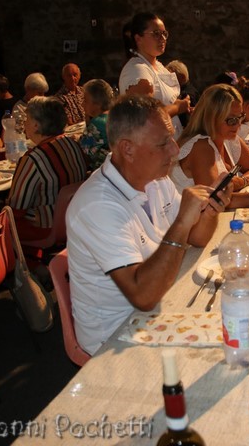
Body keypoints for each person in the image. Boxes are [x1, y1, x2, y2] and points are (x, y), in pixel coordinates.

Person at [66, 95, 229, 355]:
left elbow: (197, 238)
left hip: (160, 300)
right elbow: (143, 297)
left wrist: (210, 210)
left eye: (172, 139)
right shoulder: (97, 205)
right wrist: (181, 224)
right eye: (163, 143)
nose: (175, 150)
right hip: (114, 336)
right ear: (127, 149)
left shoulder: (156, 179)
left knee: (236, 316)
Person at [171, 84, 249, 208]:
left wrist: (242, 181)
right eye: (231, 120)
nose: (238, 125)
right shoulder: (200, 146)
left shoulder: (228, 137)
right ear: (211, 118)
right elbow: (215, 199)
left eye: (240, 117)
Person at [6, 97, 87, 242]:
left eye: (27, 119)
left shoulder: (33, 159)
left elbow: (15, 209)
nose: (24, 123)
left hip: (47, 229)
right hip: (76, 220)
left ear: (36, 125)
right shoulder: (73, 144)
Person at [118, 12, 192, 137]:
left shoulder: (158, 66)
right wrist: (177, 108)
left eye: (164, 33)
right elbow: (144, 117)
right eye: (156, 34)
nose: (162, 38)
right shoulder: (137, 70)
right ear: (138, 39)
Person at [80, 79, 115, 171]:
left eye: (85, 100)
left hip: (104, 171)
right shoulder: (114, 115)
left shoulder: (97, 124)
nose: (82, 104)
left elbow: (83, 152)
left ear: (97, 103)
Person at [165, 59, 199, 127]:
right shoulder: (189, 91)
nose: (169, 79)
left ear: (182, 77)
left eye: (172, 76)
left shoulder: (186, 95)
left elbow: (184, 121)